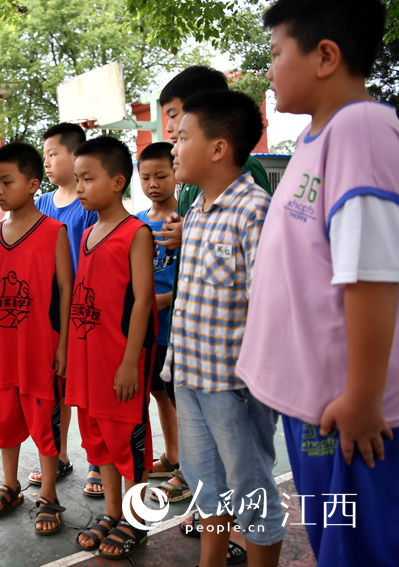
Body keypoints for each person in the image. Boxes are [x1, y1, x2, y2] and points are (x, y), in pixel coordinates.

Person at [237, 0, 399, 565]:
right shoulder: (315, 138)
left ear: (326, 55)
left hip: (347, 416)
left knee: (357, 550)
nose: (270, 69)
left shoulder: (363, 128)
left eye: (277, 53)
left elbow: (374, 275)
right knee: (334, 539)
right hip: (315, 410)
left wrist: (361, 396)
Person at [161, 90, 285, 567]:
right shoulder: (197, 211)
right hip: (190, 376)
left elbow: (268, 305)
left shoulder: (255, 211)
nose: (173, 147)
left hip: (233, 386)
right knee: (205, 486)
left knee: (250, 490)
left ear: (217, 149)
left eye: (182, 137)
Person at [67, 136, 158, 560]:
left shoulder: (135, 232)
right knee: (99, 440)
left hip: (119, 362)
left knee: (129, 445)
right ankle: (112, 511)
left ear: (118, 182)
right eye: (77, 179)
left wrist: (129, 363)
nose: (80, 186)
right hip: (88, 362)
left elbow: (141, 299)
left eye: (88, 178)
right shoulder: (87, 233)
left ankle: (136, 518)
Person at [0, 142, 73, 536]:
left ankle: (48, 494)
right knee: (4, 418)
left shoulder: (54, 231)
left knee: (44, 424)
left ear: (33, 184)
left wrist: (64, 345)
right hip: (2, 348)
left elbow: (66, 290)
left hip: (40, 348)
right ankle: (11, 485)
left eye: (7, 181)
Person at [28, 122, 101, 495]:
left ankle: (97, 461)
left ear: (75, 156)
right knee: (53, 390)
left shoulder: (88, 205)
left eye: (53, 153)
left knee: (84, 389)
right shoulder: (39, 205)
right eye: (44, 155)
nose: (47, 161)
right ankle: (58, 455)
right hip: (48, 313)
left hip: (82, 311)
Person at [134, 142, 183, 497]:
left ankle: (185, 462)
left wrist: (158, 301)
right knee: (156, 393)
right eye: (146, 176)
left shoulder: (187, 220)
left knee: (175, 396)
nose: (153, 183)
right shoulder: (136, 223)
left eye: (161, 175)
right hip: (147, 329)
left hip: (175, 329)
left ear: (176, 173)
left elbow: (187, 280)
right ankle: (172, 456)